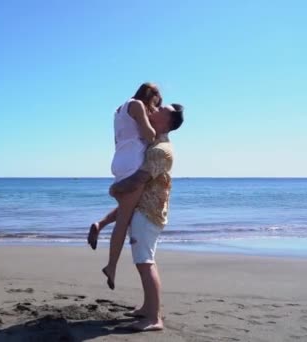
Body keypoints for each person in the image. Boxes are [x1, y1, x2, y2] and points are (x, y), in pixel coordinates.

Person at [110, 103, 184, 331]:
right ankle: (147, 308)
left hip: (147, 213)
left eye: (162, 108)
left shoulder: (161, 150)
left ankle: (154, 318)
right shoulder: (152, 143)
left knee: (145, 263)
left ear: (168, 121)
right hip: (143, 210)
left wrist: (114, 189)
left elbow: (138, 179)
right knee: (143, 260)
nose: (156, 107)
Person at [87, 83, 162, 291]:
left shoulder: (118, 110)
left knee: (127, 208)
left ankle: (100, 225)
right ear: (151, 95)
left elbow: (117, 140)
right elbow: (149, 134)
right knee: (123, 221)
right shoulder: (137, 105)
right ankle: (111, 267)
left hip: (120, 161)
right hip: (133, 163)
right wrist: (155, 125)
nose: (156, 106)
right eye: (156, 101)